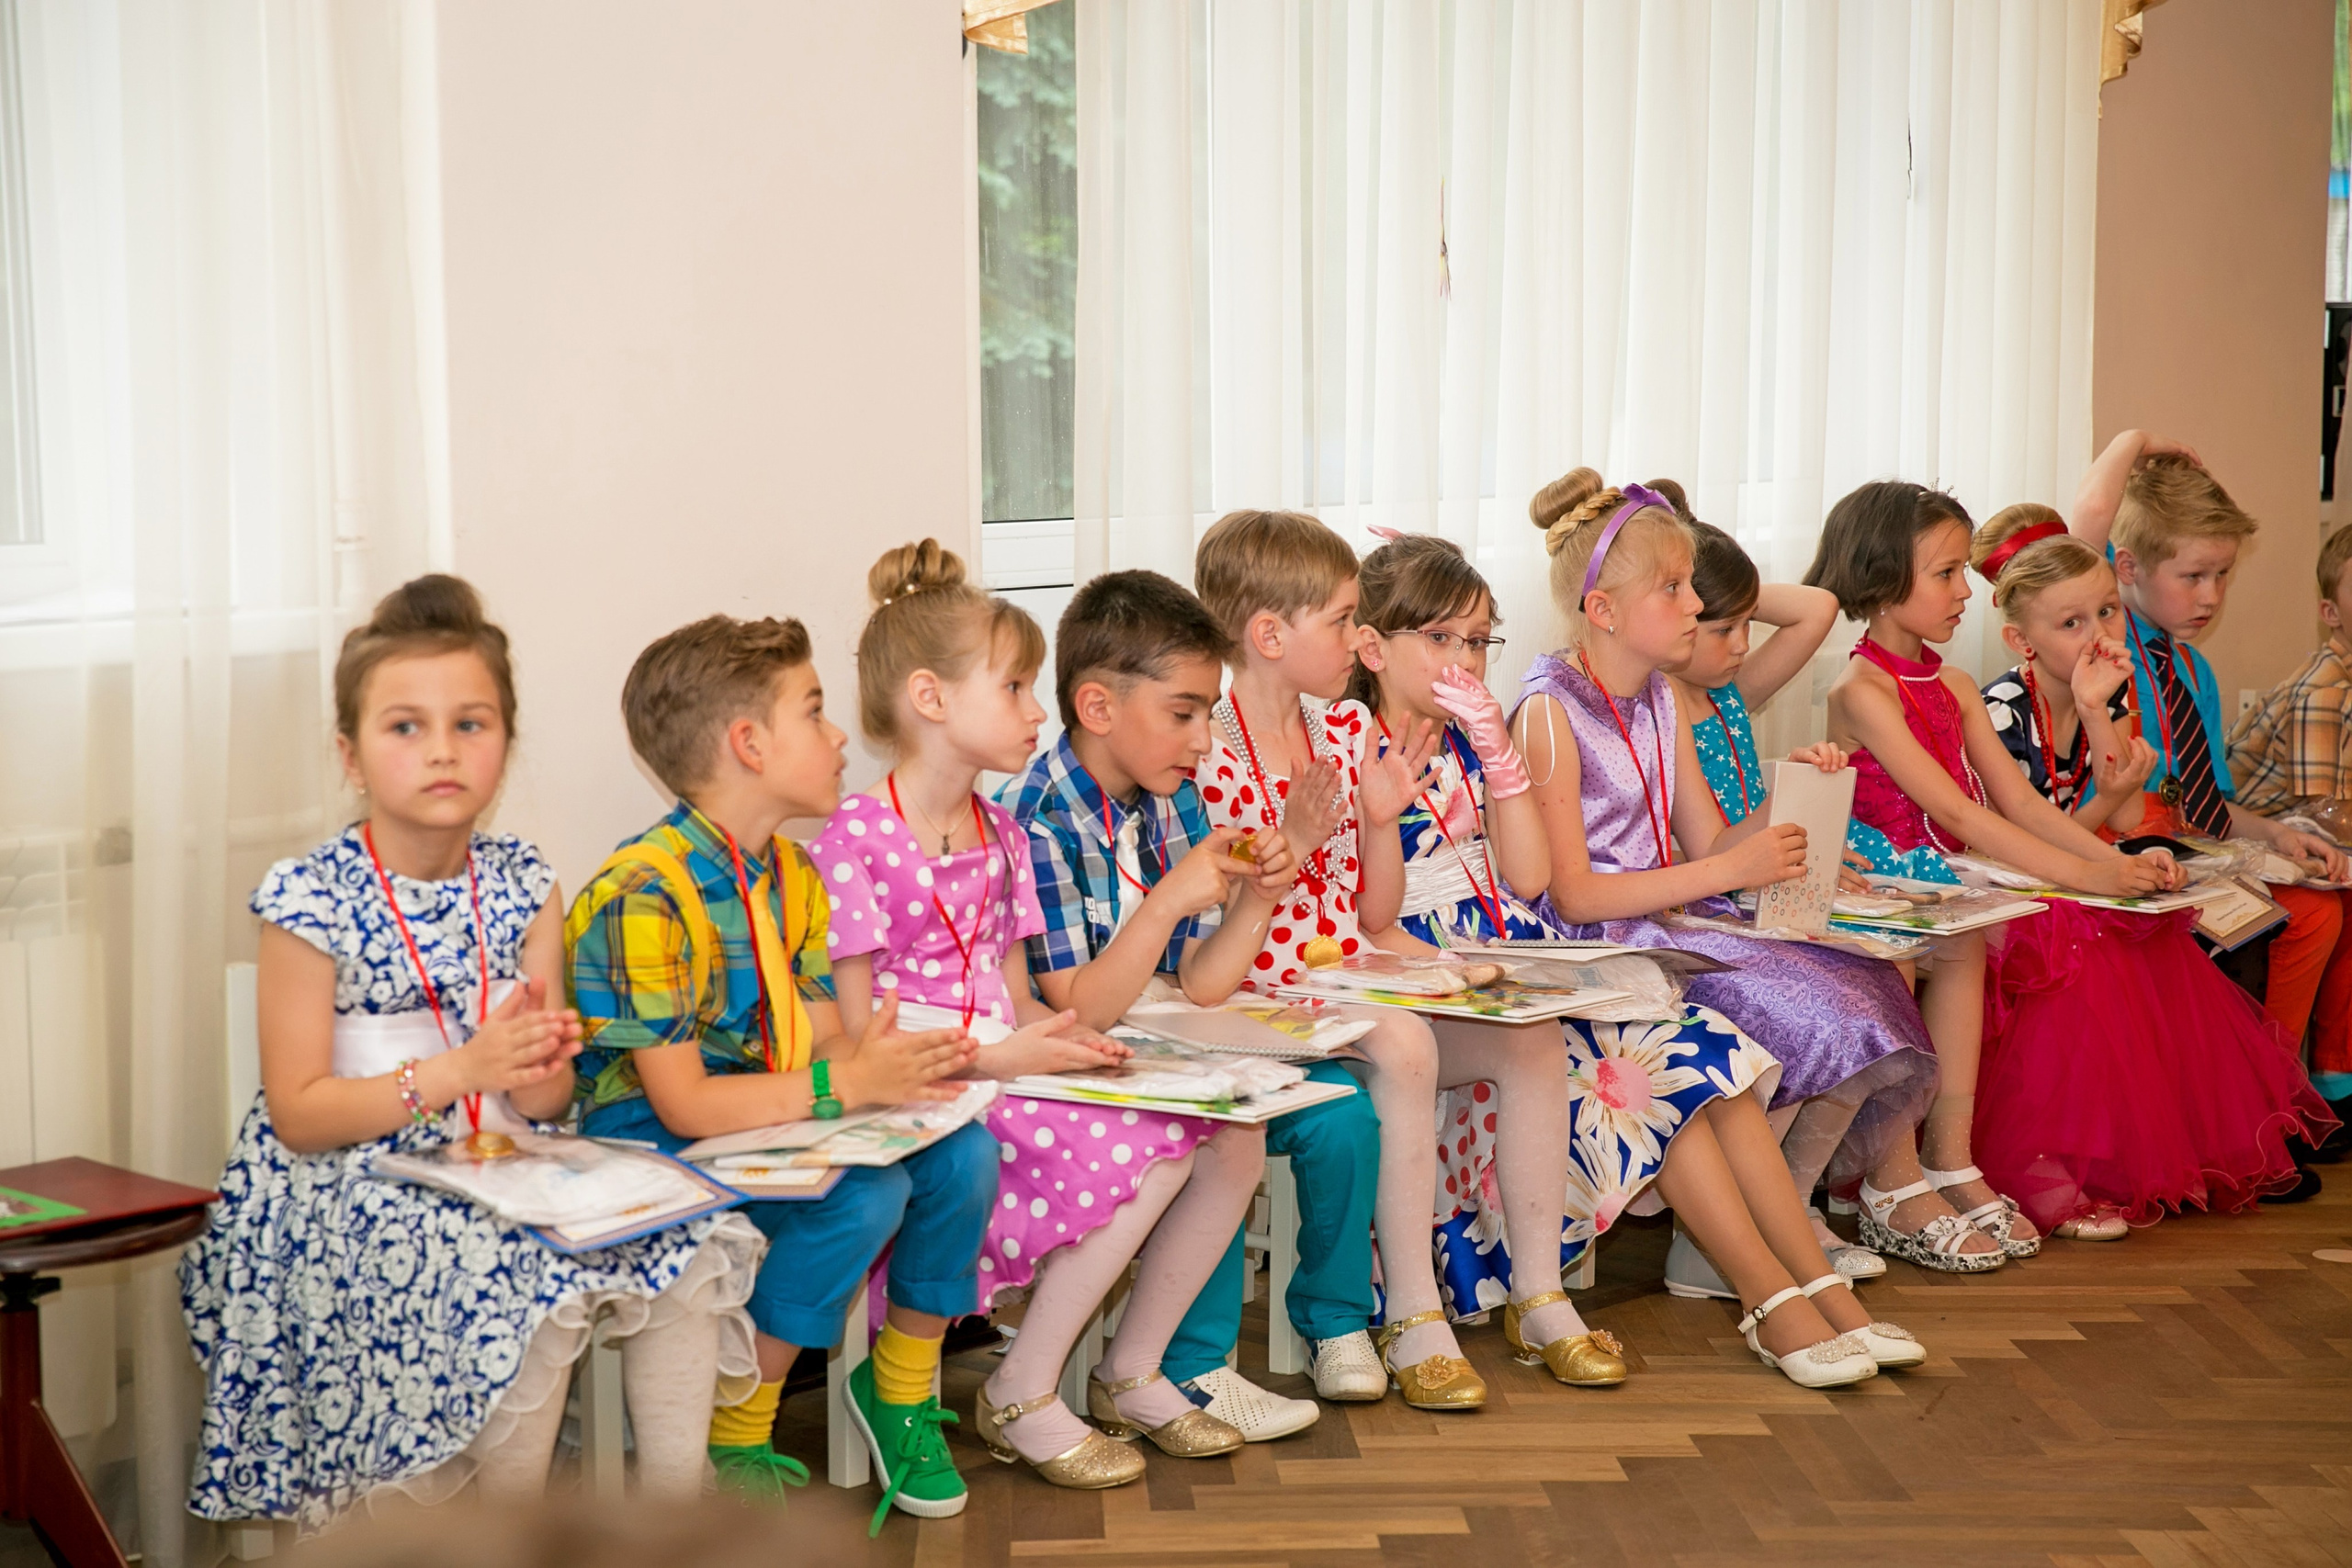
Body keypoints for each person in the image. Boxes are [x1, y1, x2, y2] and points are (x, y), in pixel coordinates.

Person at [185, 577, 760, 1530]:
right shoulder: (308, 896)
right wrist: (462, 1071)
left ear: (506, 742)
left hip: (497, 1154)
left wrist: (539, 1067)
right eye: (405, 726)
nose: (442, 749)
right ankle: (503, 1536)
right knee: (513, 1271)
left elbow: (545, 1102)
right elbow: (301, 1114)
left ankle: (676, 1524)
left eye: (471, 723)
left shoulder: (525, 882)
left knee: (686, 1234)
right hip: (343, 1176)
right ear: (351, 755)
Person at [1351, 530, 1917, 1391]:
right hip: (1440, 970)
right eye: (1440, 638)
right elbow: (1400, 910)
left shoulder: (1469, 742)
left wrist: (1499, 762)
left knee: (1712, 1056)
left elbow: (1525, 877)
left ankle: (1819, 1287)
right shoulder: (1354, 742)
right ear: (1373, 646)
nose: (1463, 660)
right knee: (1659, 1070)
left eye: (1476, 640)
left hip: (1511, 957)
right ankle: (1769, 1299)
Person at [811, 541, 1263, 1488]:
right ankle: (1016, 1389)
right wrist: (1003, 1057)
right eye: (1014, 688)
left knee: (1195, 1122)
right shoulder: (856, 836)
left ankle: (1086, 1373)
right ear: (932, 699)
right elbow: (856, 1038)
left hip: (998, 1064)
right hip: (919, 1084)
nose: (1033, 709)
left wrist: (1066, 1043)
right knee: (1140, 1148)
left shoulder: (1003, 835)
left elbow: (1017, 997)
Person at [1511, 472, 1993, 1294]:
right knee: (1813, 1005)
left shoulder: (1658, 696)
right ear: (1604, 610)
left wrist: (1784, 795)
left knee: (1868, 981)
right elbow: (1574, 896)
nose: (1696, 605)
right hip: (1598, 948)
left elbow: (1712, 840)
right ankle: (1730, 1240)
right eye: (1674, 588)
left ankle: (1772, 1215)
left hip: (1673, 925)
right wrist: (1726, 871)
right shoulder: (1550, 709)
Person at [568, 610, 994, 1532]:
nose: (840, 737)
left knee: (963, 1155)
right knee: (861, 1197)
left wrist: (884, 1067)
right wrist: (845, 1086)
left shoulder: (793, 875)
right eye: (814, 711)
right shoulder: (642, 892)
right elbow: (683, 1101)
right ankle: (736, 1429)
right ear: (749, 744)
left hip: (772, 1111)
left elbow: (821, 1043)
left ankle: (900, 1389)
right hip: (646, 1135)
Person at [999, 568, 1379, 1433]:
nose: (1203, 739)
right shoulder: (1038, 815)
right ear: (1098, 707)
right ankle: (1162, 1368)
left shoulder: (1166, 801)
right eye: (1184, 713)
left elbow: (1204, 978)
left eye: (1208, 712)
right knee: (1216, 1134)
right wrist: (1170, 897)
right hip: (1077, 1045)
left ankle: (1162, 1364)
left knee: (1319, 1113)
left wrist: (1257, 897)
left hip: (1159, 1031)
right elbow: (1080, 1005)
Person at [1807, 481, 2206, 1254]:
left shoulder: (1953, 683)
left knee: (1971, 937)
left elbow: (2018, 802)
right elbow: (1956, 813)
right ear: (1883, 582)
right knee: (1953, 938)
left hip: (1945, 876)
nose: (1966, 591)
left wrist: (2111, 861)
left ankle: (1950, 1157)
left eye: (1962, 571)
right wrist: (2087, 876)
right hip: (1882, 876)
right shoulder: (1861, 690)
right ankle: (1889, 1174)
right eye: (1945, 574)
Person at [1962, 506, 2340, 1233]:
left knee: (2161, 941)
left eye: (2106, 611)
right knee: (2085, 950)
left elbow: (2129, 814)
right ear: (2021, 640)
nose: (2098, 634)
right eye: (2070, 623)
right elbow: (2021, 844)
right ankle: (2054, 1164)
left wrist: (2100, 722)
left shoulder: (2109, 693)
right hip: (2006, 887)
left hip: (2072, 873)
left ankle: (2173, 1150)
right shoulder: (2002, 710)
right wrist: (2108, 846)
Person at [1190, 510, 1494, 1410]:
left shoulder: (1347, 729)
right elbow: (1216, 931)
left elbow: (1374, 913)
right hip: (1246, 990)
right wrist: (1291, 836)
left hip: (1337, 978)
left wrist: (1378, 820)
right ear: (1269, 635)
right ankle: (1380, 1313)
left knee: (1399, 1064)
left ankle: (1361, 1316)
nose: (1355, 635)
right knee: (1400, 1048)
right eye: (1340, 618)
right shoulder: (1207, 748)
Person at [2068, 432, 2352, 1114]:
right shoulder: (2103, 641)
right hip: (2110, 847)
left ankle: (2272, 1090)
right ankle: (2231, 1097)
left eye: (2222, 575)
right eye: (2193, 576)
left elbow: (2209, 801)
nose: (2211, 595)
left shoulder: (2195, 670)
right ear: (2126, 567)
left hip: (2190, 844)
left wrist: (2277, 835)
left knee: (2314, 910)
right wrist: (2136, 442)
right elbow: (2087, 525)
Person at [2229, 520, 2352, 1118]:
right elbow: (2325, 811)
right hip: (2251, 838)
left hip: (2305, 838)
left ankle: (2333, 1078)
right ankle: (2285, 1089)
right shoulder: (2325, 691)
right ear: (2330, 613)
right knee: (2332, 911)